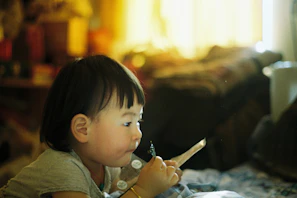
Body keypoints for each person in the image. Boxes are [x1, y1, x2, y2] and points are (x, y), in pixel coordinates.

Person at [0, 55, 181, 198]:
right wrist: (144, 190)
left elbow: (122, 190)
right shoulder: (63, 168)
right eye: (127, 123)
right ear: (82, 129)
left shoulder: (106, 165)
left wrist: (160, 179)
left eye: (138, 122)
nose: (137, 134)